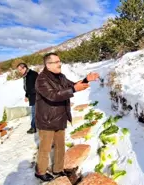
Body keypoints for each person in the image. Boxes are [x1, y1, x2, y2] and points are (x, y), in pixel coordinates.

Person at [34, 52, 99, 181]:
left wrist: (86, 79)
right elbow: (53, 95)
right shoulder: (41, 80)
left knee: (60, 146)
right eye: (56, 62)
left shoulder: (61, 76)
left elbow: (72, 85)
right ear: (48, 65)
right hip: (47, 120)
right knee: (45, 148)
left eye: (59, 61)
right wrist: (74, 89)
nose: (60, 64)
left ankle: (58, 170)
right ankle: (40, 172)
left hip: (60, 117)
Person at [17, 62, 39, 134]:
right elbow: (27, 87)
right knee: (35, 112)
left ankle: (33, 127)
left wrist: (30, 93)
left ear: (24, 68)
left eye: (20, 70)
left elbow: (38, 86)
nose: (19, 72)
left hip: (37, 96)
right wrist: (27, 95)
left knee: (34, 112)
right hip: (32, 96)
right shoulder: (26, 75)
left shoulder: (33, 74)